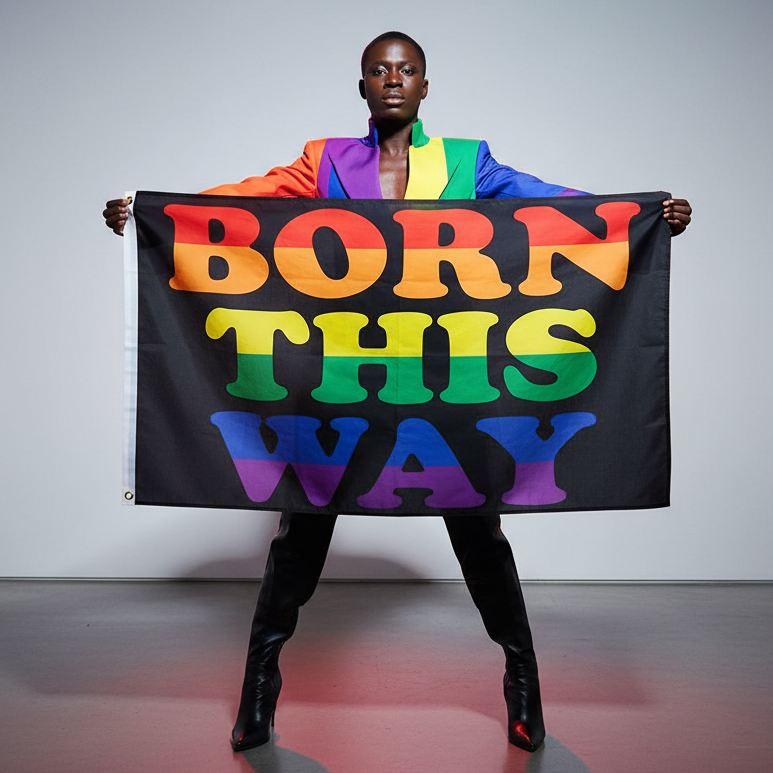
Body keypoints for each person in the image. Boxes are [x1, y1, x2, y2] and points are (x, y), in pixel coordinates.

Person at [103, 32, 692, 754]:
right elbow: (241, 201)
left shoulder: (466, 161)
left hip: (443, 380)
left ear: (424, 86)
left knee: (480, 535)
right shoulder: (325, 160)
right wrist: (148, 210)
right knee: (300, 534)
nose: (392, 79)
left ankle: (523, 685)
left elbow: (555, 206)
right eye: (379, 70)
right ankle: (258, 693)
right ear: (362, 86)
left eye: (405, 69)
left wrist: (642, 215)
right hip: (342, 379)